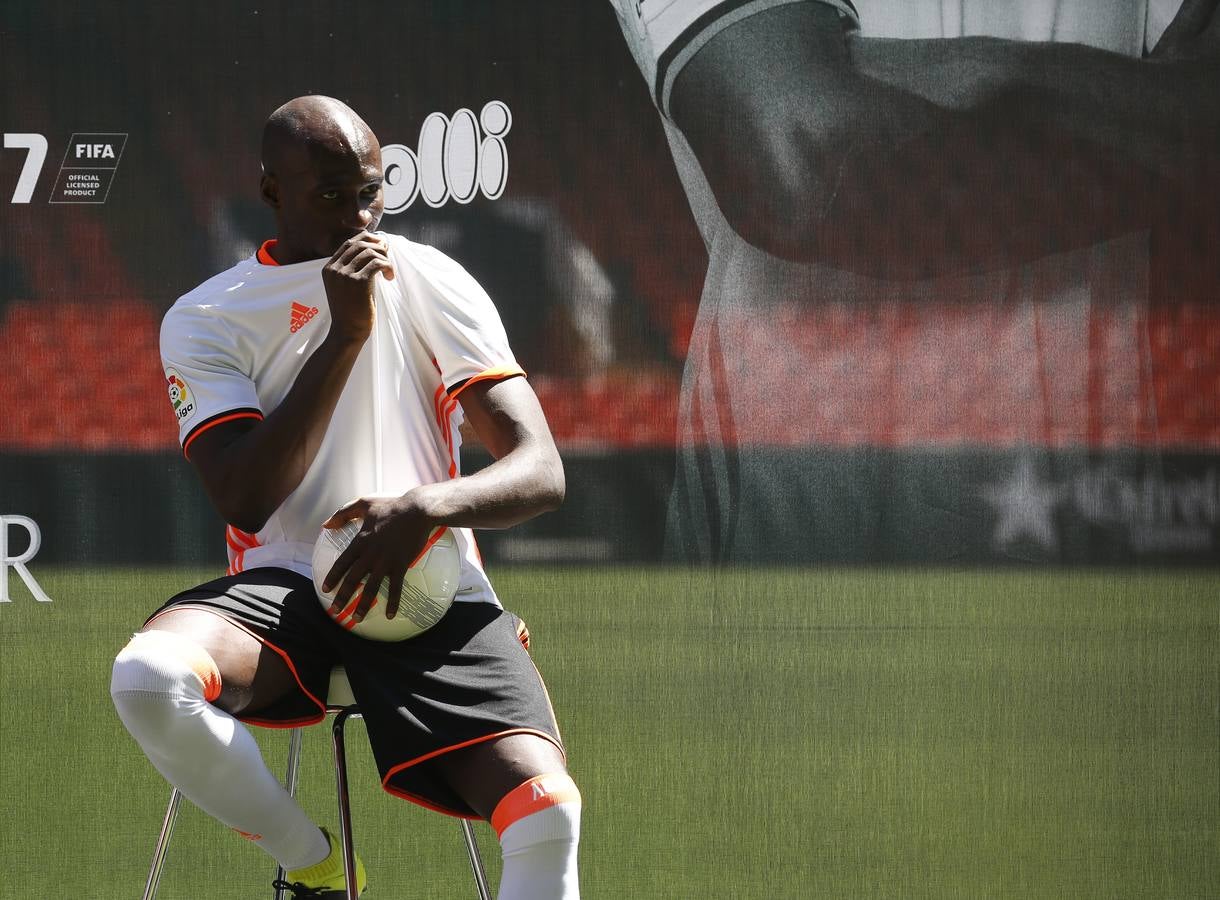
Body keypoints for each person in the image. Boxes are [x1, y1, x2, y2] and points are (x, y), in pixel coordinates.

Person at [110, 95, 581, 899]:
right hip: (287, 582)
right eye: (333, 196)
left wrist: (430, 507)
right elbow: (245, 498)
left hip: (431, 585)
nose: (361, 217)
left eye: (372, 190)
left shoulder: (432, 279)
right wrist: (344, 335)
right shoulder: (206, 317)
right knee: (149, 679)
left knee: (546, 813)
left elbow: (541, 471)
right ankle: (320, 868)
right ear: (272, 193)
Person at [610, 0, 1219, 563]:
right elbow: (802, 156)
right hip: (803, 576)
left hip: (1096, 551)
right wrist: (1141, 109)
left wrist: (982, 80)